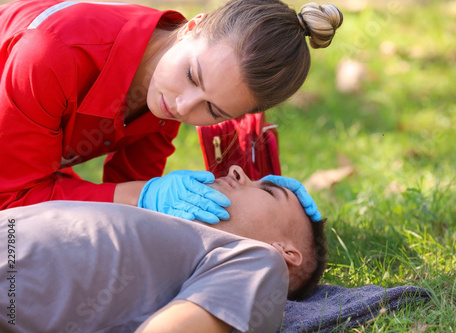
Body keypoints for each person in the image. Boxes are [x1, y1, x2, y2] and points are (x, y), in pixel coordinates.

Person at [0, 0, 342, 223]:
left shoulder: (165, 90)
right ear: (192, 27)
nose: (182, 107)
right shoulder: (50, 53)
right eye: (193, 75)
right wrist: (146, 195)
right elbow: (12, 205)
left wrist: (269, 210)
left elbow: (124, 212)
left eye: (212, 109)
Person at [0, 166, 327, 333]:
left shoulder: (259, 260)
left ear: (285, 252)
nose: (238, 171)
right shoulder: (169, 241)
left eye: (268, 191)